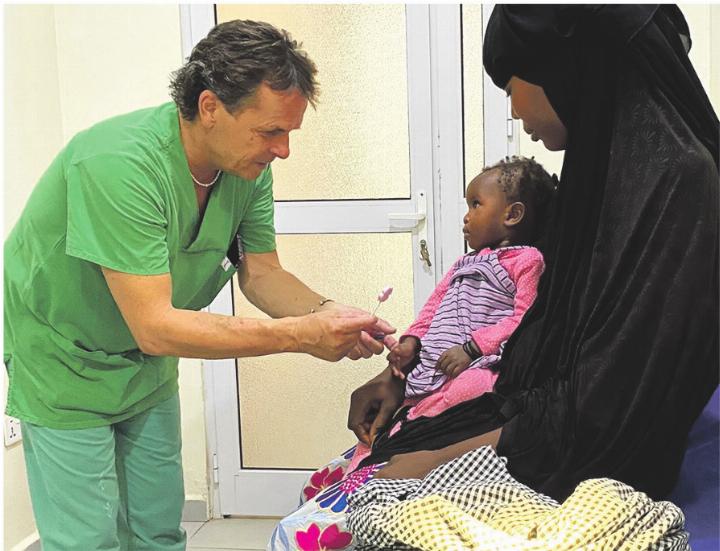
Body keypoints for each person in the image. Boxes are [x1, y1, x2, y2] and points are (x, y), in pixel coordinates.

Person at [4, 20, 394, 551]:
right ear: (210, 107)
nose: (282, 150)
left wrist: (329, 314)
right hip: (65, 357)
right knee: (88, 541)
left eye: (288, 133)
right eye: (269, 132)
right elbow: (157, 327)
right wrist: (301, 336)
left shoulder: (243, 167)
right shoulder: (119, 164)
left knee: (159, 528)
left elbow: (262, 272)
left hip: (145, 363)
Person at [348, 4, 718, 501]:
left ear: (563, 66)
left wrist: (437, 461)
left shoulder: (677, 185)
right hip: (537, 418)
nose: (516, 112)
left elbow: (609, 400)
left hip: (600, 460)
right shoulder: (591, 183)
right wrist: (400, 377)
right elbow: (528, 323)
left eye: (510, 88)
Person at [267, 156, 557, 549]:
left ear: (513, 214)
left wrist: (473, 348)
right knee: (392, 413)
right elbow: (429, 312)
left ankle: (405, 444)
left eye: (476, 204)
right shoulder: (462, 264)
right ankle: (366, 466)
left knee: (472, 385)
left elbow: (523, 320)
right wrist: (409, 344)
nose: (466, 216)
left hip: (475, 366)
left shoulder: (528, 261)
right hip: (431, 366)